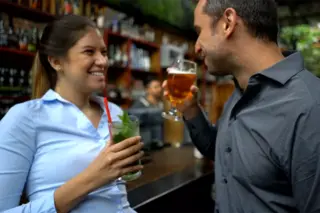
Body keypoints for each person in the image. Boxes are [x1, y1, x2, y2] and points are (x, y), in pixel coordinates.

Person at [163, 0, 320, 212]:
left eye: (199, 32)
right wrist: (191, 110)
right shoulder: (240, 92)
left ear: (228, 22)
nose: (197, 46)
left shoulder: (310, 107)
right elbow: (223, 150)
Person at [0, 15, 144, 213]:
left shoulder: (115, 112)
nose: (103, 61)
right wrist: (95, 176)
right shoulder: (24, 118)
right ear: (56, 61)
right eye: (89, 52)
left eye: (103, 52)